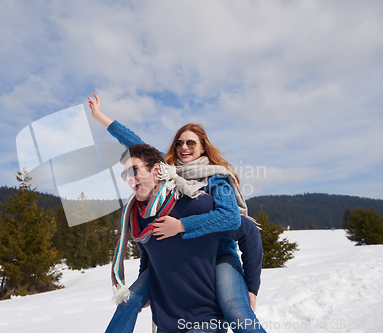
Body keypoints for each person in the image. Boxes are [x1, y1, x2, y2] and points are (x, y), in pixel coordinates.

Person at [88, 94, 267, 333]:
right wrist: (100, 117)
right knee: (127, 302)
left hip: (218, 253)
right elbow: (136, 145)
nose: (184, 147)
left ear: (202, 147)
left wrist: (181, 226)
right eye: (179, 143)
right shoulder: (168, 175)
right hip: (179, 255)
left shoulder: (215, 177)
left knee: (235, 310)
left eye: (191, 143)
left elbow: (231, 218)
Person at [115, 143, 228, 333]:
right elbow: (147, 253)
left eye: (134, 170)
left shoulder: (195, 202)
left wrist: (252, 287)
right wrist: (148, 290)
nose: (128, 178)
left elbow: (245, 230)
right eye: (124, 174)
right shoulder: (139, 216)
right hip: (167, 323)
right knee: (127, 302)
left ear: (157, 169)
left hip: (205, 320)